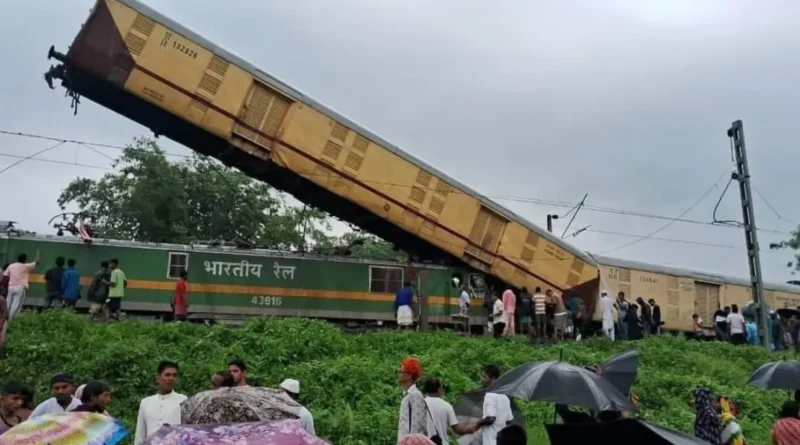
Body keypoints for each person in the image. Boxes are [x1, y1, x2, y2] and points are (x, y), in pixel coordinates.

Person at [134, 361, 187, 444]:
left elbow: (188, 432)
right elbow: (140, 435)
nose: (171, 378)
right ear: (158, 378)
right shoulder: (145, 403)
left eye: (174, 375)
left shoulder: (183, 401)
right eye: (167, 375)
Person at [422, 377, 475, 441]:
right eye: (442, 387)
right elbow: (458, 430)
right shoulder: (447, 406)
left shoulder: (419, 404)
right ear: (439, 389)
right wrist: (473, 427)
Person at [475, 365, 513, 445]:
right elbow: (509, 420)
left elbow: (491, 419)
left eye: (484, 377)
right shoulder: (505, 397)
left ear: (493, 378)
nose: (482, 379)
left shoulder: (490, 395)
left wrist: (478, 423)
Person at [4, 250, 40, 320]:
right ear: (24, 259)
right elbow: (37, 262)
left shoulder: (11, 266)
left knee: (8, 303)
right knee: (16, 305)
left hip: (10, 287)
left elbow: (5, 276)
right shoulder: (25, 266)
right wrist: (38, 254)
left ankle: (4, 318)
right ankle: (11, 320)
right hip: (20, 287)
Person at [397, 356, 427, 440]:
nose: (398, 374)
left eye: (401, 371)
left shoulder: (415, 395)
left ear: (409, 375)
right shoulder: (407, 395)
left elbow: (417, 425)